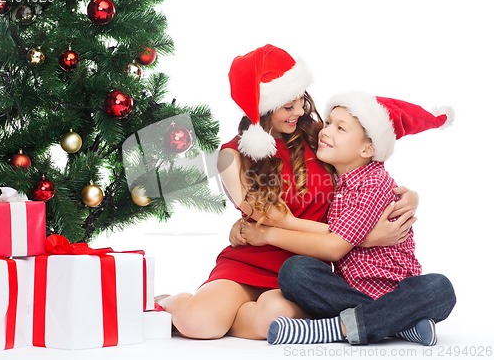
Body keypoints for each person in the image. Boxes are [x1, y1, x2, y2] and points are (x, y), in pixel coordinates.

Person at [156, 46, 419, 340]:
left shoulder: (319, 137)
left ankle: (230, 315)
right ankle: (168, 302)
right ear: (264, 106)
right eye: (288, 106)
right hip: (250, 260)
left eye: (301, 101)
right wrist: (365, 239)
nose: (299, 112)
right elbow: (272, 219)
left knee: (273, 320)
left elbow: (365, 166)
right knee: (198, 324)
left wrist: (409, 196)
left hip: (303, 271)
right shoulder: (231, 156)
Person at [240, 91, 456, 346]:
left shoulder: (372, 182)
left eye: (340, 128)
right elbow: (328, 232)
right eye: (329, 123)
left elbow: (334, 247)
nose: (326, 131)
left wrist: (267, 234)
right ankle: (400, 325)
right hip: (347, 292)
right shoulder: (334, 178)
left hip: (396, 291)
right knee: (295, 272)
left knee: (440, 289)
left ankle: (333, 329)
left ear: (368, 148)